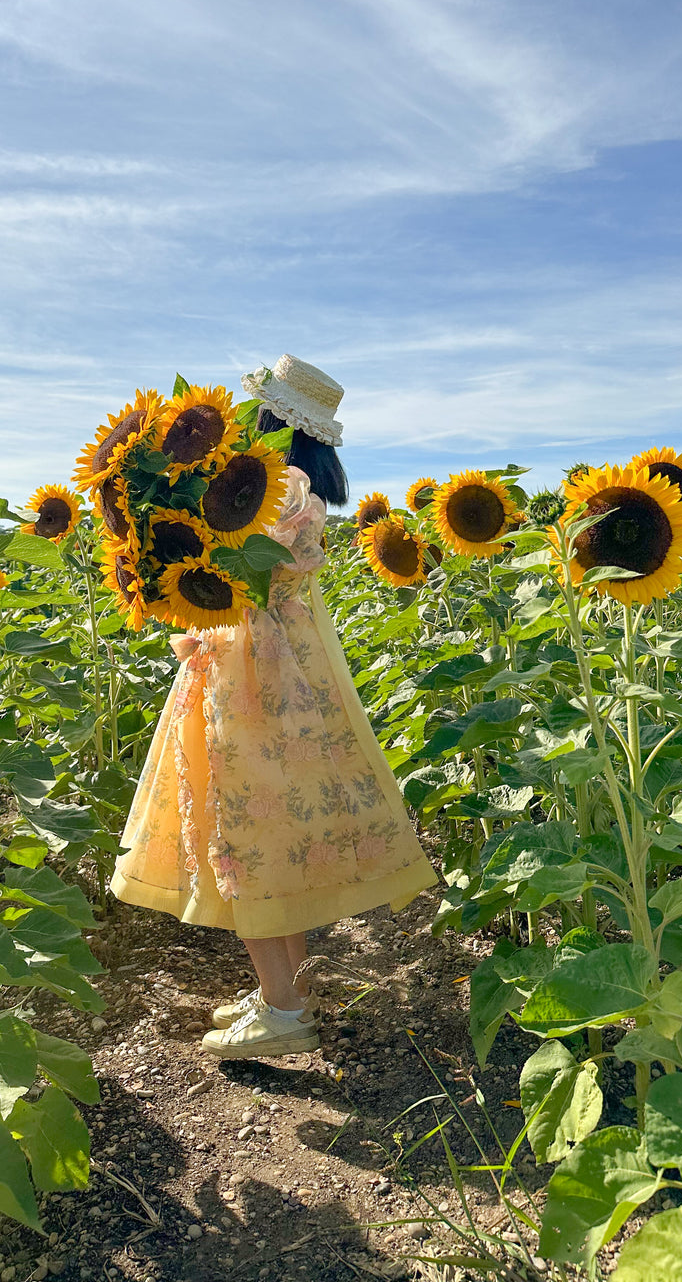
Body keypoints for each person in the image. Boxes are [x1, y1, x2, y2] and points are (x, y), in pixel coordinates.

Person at [109, 355, 438, 1059]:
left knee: (245, 839)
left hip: (252, 674)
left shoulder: (276, 488)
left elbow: (224, 557)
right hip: (274, 666)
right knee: (267, 841)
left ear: (273, 421)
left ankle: (285, 1011)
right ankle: (280, 991)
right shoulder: (301, 488)